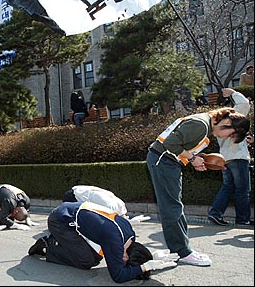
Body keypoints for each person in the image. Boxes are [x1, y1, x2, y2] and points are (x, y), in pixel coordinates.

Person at [147, 106, 250, 266]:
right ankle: (183, 252)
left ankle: (178, 250)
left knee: (173, 206)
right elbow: (170, 143)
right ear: (227, 122)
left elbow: (179, 145)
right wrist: (193, 158)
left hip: (165, 161)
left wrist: (193, 159)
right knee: (172, 207)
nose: (225, 137)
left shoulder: (203, 124)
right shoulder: (201, 125)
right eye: (230, 134)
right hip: (163, 161)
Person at [27, 201, 178, 283]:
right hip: (59, 221)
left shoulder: (129, 235)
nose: (122, 262)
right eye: (126, 263)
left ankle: (59, 244)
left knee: (96, 256)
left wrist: (150, 258)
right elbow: (118, 276)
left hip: (70, 211)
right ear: (126, 257)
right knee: (85, 261)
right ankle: (48, 246)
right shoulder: (115, 241)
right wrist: (145, 266)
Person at [208, 88, 254, 227]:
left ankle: (215, 212)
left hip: (225, 158)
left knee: (228, 186)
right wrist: (233, 92)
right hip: (238, 158)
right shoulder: (232, 120)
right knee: (243, 189)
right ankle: (242, 219)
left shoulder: (217, 124)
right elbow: (245, 104)